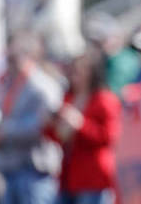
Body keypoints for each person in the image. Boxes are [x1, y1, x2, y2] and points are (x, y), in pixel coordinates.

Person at [0, 31, 64, 204]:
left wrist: (3, 132)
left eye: (14, 57)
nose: (10, 63)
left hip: (34, 170)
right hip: (10, 166)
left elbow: (43, 123)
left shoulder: (43, 85)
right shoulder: (9, 84)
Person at [45, 44, 120, 204]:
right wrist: (50, 125)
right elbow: (59, 138)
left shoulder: (104, 99)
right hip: (68, 176)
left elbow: (109, 137)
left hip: (93, 177)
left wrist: (81, 124)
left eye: (80, 71)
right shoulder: (69, 97)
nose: (74, 75)